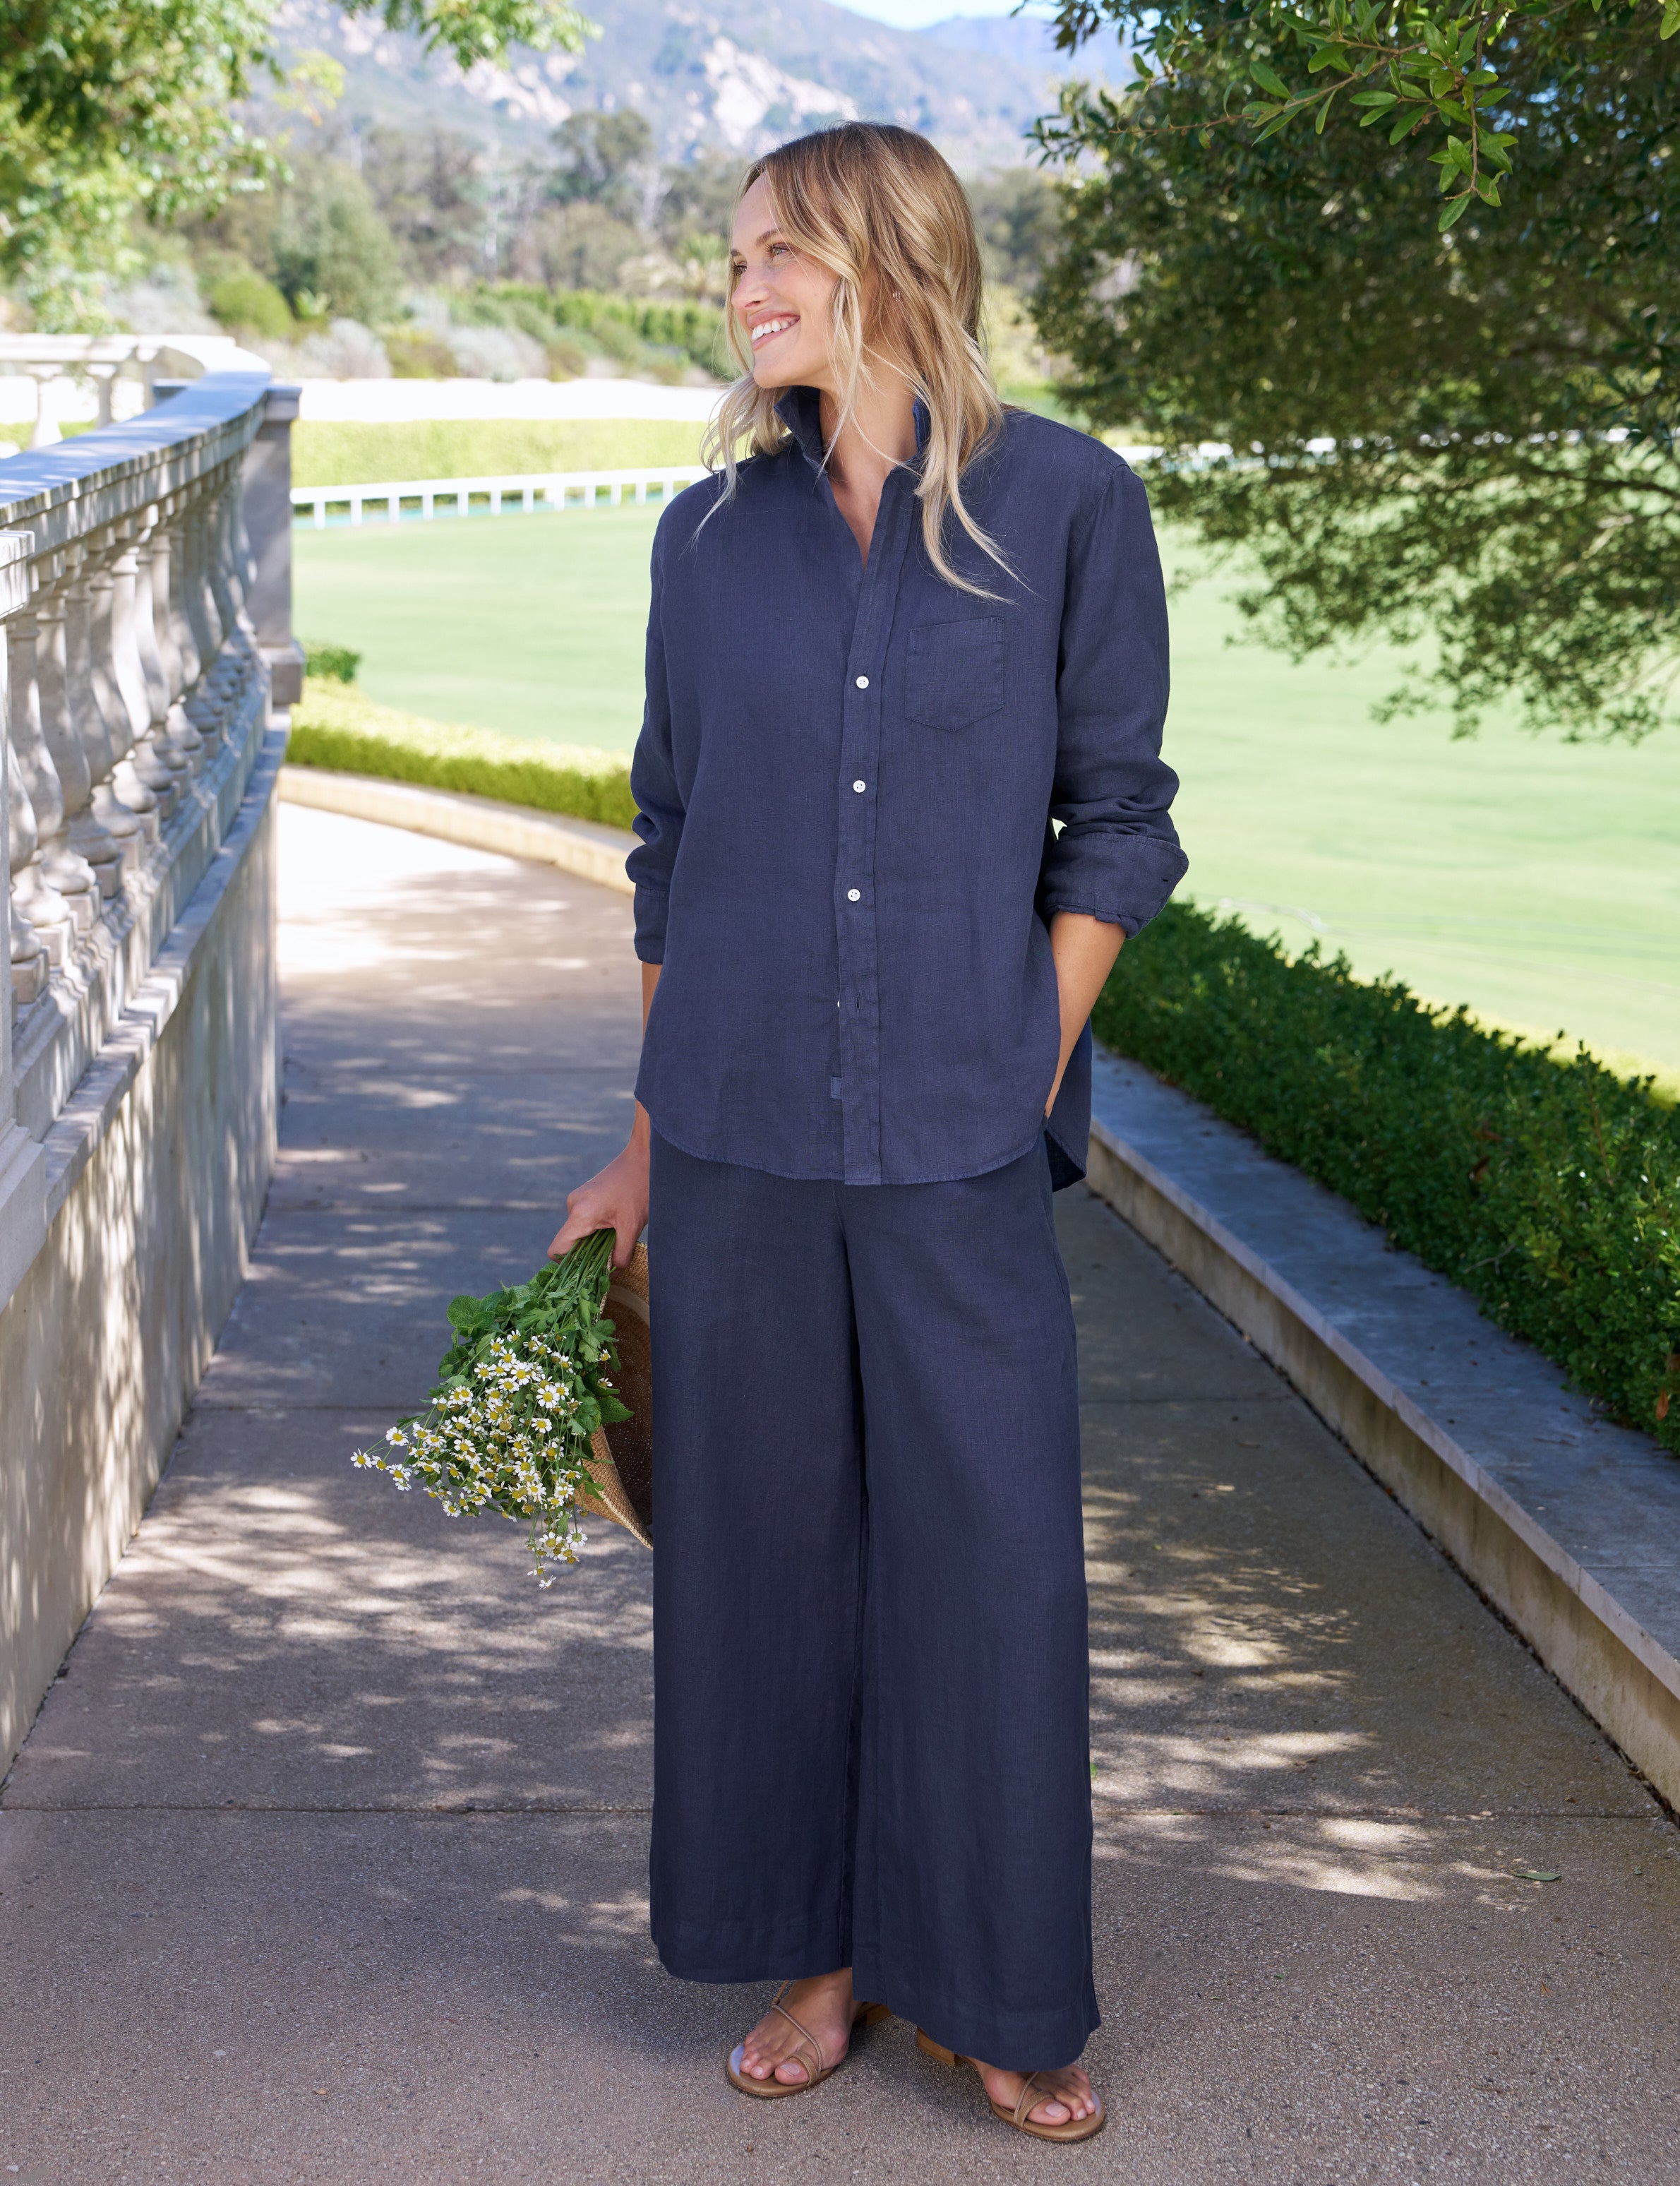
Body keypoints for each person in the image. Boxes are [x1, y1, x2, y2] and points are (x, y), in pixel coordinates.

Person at [551, 120, 1185, 2144]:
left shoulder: (1069, 506)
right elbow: (672, 847)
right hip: (730, 1140)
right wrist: (640, 1145)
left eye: (772, 253)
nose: (737, 286)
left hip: (953, 1144)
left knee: (986, 1563)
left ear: (885, 255)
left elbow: (1117, 819)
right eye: (730, 255)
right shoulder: (705, 540)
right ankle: (818, 1962)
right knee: (757, 1566)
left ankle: (994, 1989)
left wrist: (1025, 1053)